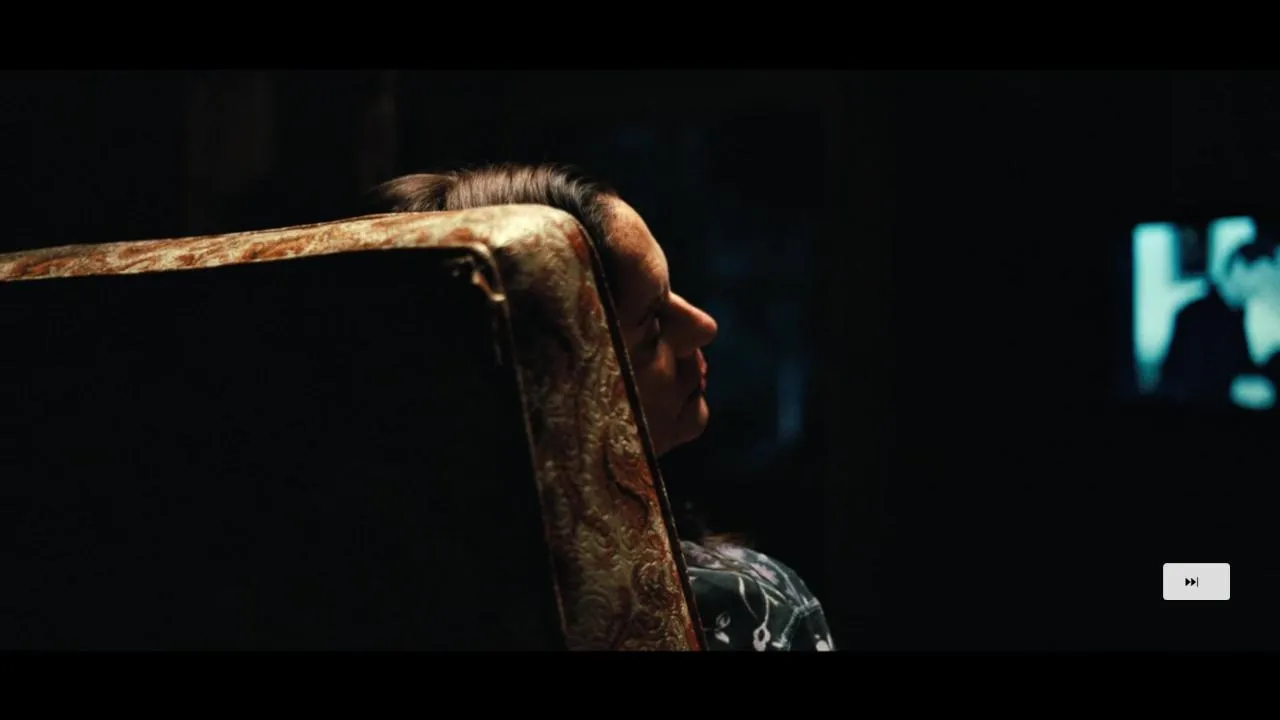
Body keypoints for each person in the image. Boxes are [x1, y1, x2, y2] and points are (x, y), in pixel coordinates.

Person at [362, 163, 836, 651]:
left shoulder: (340, 598)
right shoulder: (742, 610)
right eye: (651, 320)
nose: (703, 325)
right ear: (544, 380)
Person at [1159, 237, 1280, 406]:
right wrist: (1232, 389)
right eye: (1262, 275)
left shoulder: (1238, 314)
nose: (1264, 285)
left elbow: (1239, 368)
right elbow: (1183, 380)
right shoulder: (1193, 314)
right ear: (1239, 267)